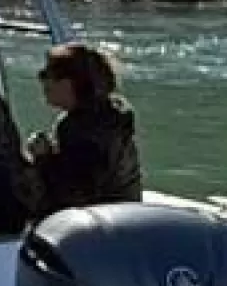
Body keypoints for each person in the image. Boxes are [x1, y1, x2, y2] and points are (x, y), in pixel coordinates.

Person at [27, 42, 143, 216]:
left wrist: (43, 157)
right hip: (121, 214)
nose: (42, 80)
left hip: (94, 220)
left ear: (68, 83)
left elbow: (74, 194)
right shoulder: (109, 117)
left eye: (46, 74)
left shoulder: (86, 131)